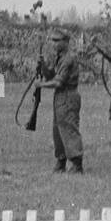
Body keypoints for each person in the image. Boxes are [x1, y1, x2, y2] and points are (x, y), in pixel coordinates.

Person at [38, 27, 84, 173]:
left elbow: (58, 82)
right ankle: (61, 161)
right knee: (57, 130)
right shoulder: (60, 57)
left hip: (68, 96)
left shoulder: (68, 58)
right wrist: (43, 65)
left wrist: (41, 85)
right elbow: (51, 75)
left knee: (69, 129)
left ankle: (77, 163)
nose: (53, 43)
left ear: (66, 42)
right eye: (52, 40)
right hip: (60, 96)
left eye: (57, 41)